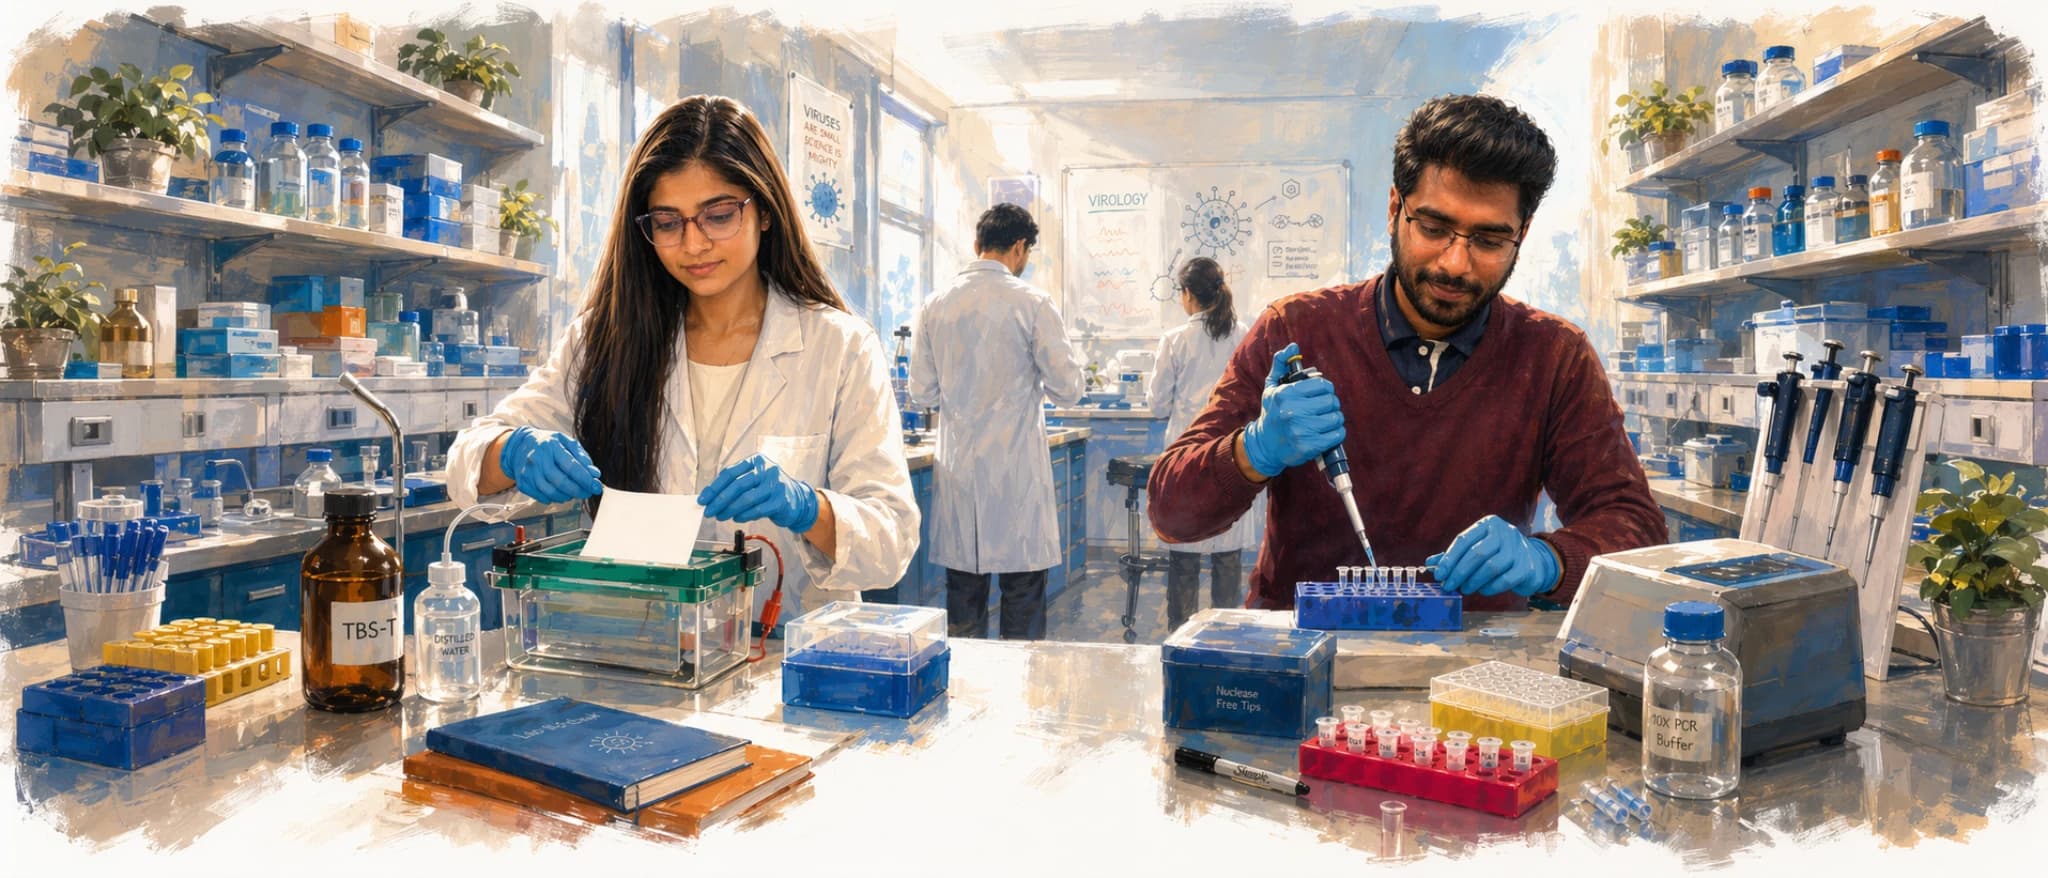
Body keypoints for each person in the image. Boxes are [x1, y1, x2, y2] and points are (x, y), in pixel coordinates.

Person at [1147, 94, 1665, 611]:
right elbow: (1171, 513)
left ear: (1522, 235)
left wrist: (1550, 561)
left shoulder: (1554, 356)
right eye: (1434, 228)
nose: (1455, 263)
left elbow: (1636, 527)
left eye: (1488, 240)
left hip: (1476, 671)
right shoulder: (1297, 331)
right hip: (1304, 658)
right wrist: (1254, 450)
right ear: (1396, 208)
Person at [447, 95, 918, 626]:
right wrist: (512, 451)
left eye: (718, 215)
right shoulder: (605, 341)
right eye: (668, 223)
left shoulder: (840, 347)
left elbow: (891, 539)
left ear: (764, 210)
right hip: (639, 651)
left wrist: (809, 506)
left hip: (786, 665)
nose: (694, 244)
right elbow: (466, 461)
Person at [911, 203, 1085, 639]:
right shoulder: (1033, 303)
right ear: (1021, 248)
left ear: (977, 245)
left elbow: (922, 393)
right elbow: (1070, 389)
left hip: (961, 486)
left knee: (964, 623)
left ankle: (963, 705)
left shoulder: (935, 306)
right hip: (1016, 485)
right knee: (1022, 623)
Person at [1149, 257, 1253, 629]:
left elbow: (1158, 405)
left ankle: (1180, 635)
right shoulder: (1244, 334)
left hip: (1187, 456)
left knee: (1184, 556)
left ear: (1188, 294)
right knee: (1227, 556)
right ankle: (1225, 638)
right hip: (1232, 453)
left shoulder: (1175, 340)